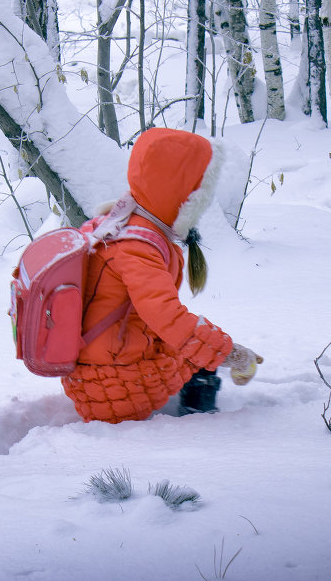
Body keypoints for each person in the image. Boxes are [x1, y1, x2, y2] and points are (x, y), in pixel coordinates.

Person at [61, 127, 262, 423]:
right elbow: (169, 320)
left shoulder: (113, 224)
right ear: (185, 195)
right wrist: (232, 353)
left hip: (94, 372)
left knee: (197, 342)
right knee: (199, 351)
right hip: (115, 387)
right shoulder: (138, 248)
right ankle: (204, 425)